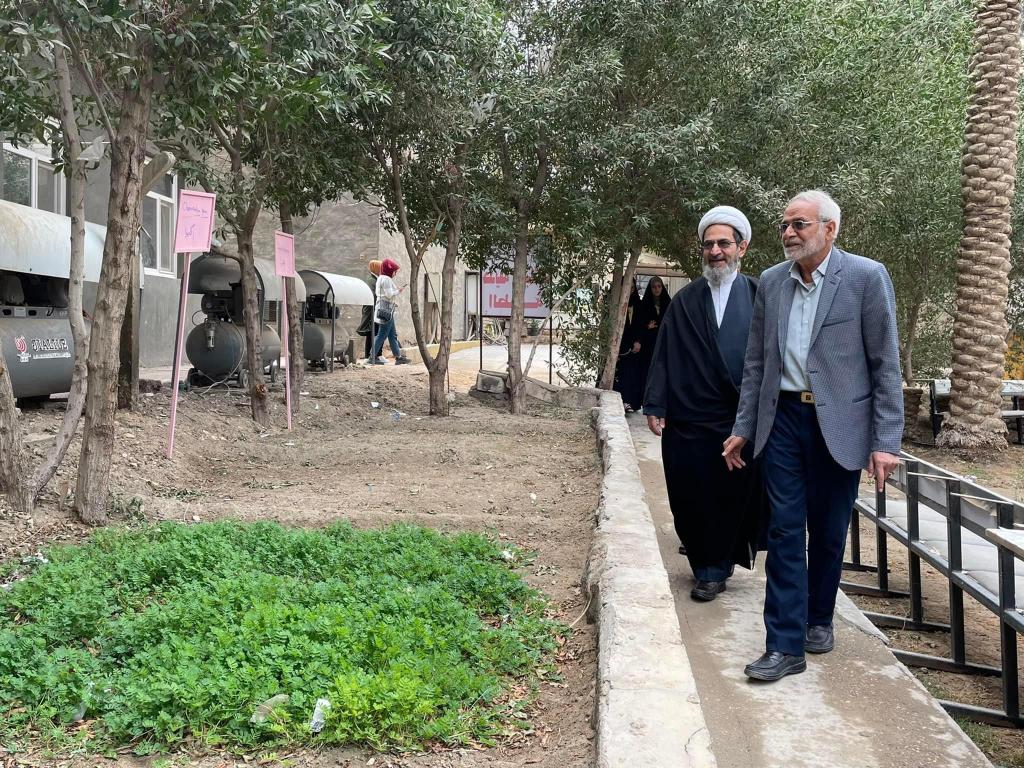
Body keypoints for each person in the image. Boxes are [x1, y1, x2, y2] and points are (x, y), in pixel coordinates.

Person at [723, 190, 903, 682]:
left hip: (840, 424)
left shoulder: (866, 277)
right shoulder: (773, 282)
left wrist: (886, 441)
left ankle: (819, 617)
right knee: (784, 529)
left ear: (829, 229)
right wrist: (743, 427)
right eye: (784, 224)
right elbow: (757, 363)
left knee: (828, 529)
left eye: (798, 224)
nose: (788, 233)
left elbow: (885, 362)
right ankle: (783, 645)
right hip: (782, 418)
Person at [644, 205, 766, 601]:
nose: (715, 251)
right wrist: (656, 403)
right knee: (689, 493)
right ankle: (703, 560)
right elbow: (665, 352)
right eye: (709, 244)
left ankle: (714, 568)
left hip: (738, 419)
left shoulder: (759, 296)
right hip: (689, 420)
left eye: (724, 244)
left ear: (741, 248)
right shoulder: (685, 300)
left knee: (730, 495)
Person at [631, 275, 671, 400]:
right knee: (648, 370)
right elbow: (638, 324)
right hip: (648, 343)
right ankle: (646, 397)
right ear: (650, 288)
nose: (657, 289)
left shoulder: (668, 303)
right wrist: (646, 326)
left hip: (664, 342)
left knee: (662, 370)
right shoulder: (644, 304)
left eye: (659, 286)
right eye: (654, 287)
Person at [371, 258, 411, 366]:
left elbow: (384, 293)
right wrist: (398, 291)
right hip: (387, 308)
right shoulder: (387, 279)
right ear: (389, 270)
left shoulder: (380, 278)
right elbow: (389, 295)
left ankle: (398, 357)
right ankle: (372, 357)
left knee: (392, 334)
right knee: (382, 334)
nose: (395, 273)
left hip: (383, 307)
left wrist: (395, 289)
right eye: (394, 271)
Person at [613, 283, 643, 412]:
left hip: (634, 347)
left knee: (631, 374)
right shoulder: (615, 302)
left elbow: (641, 324)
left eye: (632, 288)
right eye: (627, 287)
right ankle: (620, 401)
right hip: (619, 345)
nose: (629, 290)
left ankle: (629, 402)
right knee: (620, 373)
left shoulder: (638, 304)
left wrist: (638, 341)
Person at [358, 259, 380, 360]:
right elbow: (372, 296)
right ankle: (369, 355)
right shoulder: (372, 280)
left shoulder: (374, 279)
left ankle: (373, 355)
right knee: (372, 333)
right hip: (372, 311)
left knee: (374, 333)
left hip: (374, 310)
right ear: (376, 268)